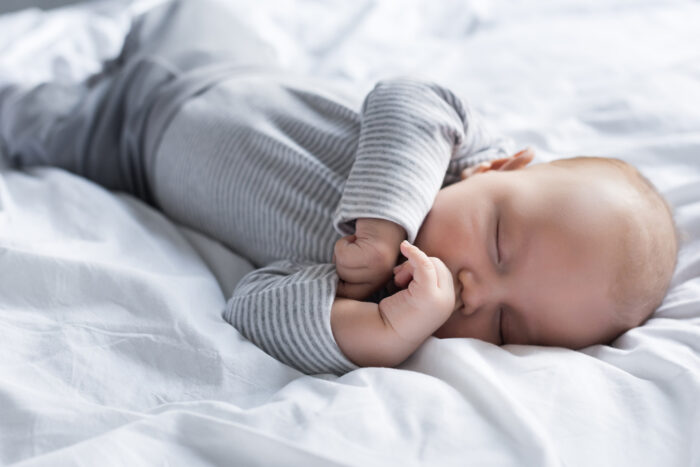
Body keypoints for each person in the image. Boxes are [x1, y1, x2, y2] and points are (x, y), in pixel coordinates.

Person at [0, 0, 678, 376]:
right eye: (499, 242)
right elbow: (408, 97)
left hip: (129, 143)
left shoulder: (368, 298)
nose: (472, 288)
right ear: (501, 172)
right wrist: (382, 224)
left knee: (22, 119)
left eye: (504, 324)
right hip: (218, 64)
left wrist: (379, 328)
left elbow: (255, 304)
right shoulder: (451, 152)